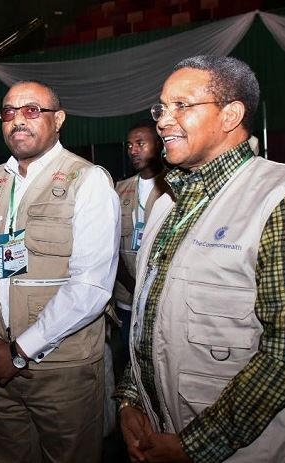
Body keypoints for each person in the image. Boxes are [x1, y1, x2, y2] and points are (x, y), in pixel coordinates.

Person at [115, 55, 285, 463]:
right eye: (161, 108)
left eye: (182, 106)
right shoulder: (168, 202)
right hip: (160, 428)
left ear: (231, 114)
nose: (164, 120)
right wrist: (131, 399)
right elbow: (151, 315)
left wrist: (194, 447)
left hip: (247, 448)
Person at [0, 80, 120, 462]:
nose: (17, 121)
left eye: (31, 111)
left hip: (62, 369)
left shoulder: (87, 181)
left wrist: (21, 350)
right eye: (8, 112)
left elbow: (91, 286)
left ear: (58, 120)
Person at [113, 119, 168, 368]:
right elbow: (111, 247)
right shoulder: (119, 189)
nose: (133, 150)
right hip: (127, 299)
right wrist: (134, 287)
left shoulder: (175, 187)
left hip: (163, 300)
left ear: (158, 145)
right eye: (129, 145)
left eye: (140, 143)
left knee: (160, 364)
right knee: (128, 362)